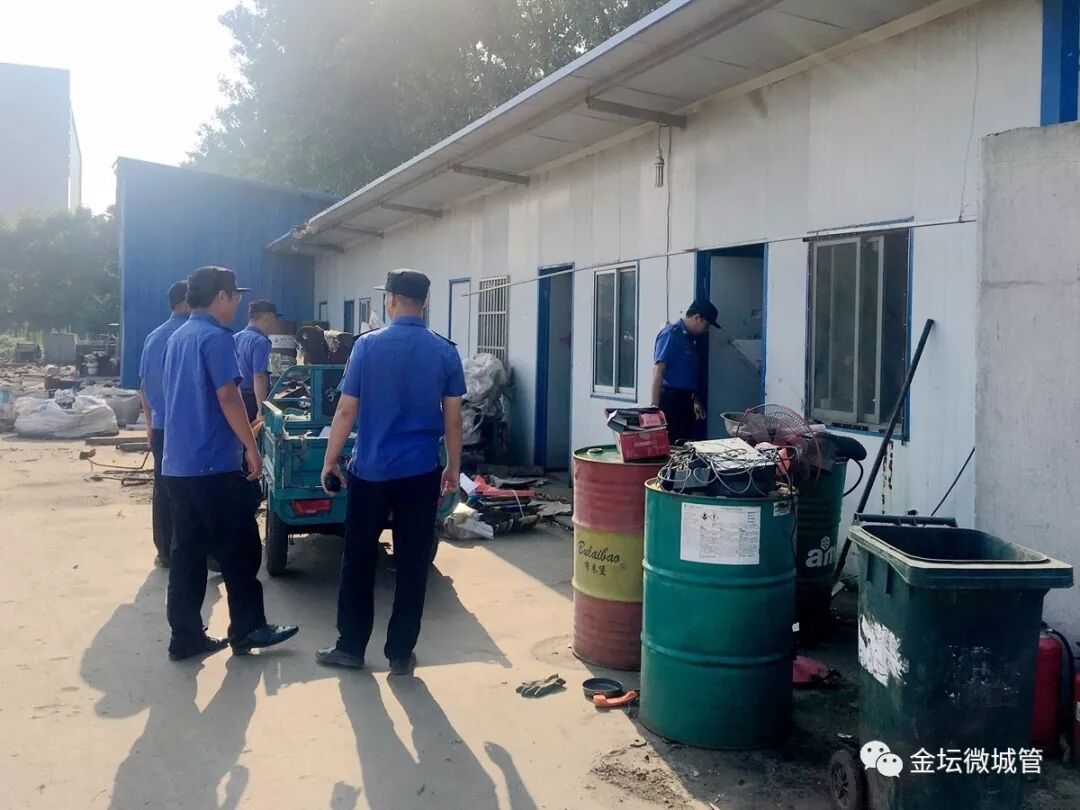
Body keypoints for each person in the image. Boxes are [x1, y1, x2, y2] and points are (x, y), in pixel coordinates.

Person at [316, 268, 465, 675]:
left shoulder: (367, 347)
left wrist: (330, 460)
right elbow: (453, 419)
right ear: (426, 302)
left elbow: (346, 410)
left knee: (359, 557)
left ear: (391, 299)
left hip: (371, 472)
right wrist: (453, 467)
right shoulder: (444, 351)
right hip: (420, 472)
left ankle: (350, 647)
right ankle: (400, 654)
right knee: (413, 562)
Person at [161, 265, 298, 661]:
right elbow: (227, 396)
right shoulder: (216, 338)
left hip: (179, 465)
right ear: (221, 297)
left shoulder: (177, 337)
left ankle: (185, 636)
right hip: (213, 466)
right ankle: (248, 627)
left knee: (187, 554)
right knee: (240, 549)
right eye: (235, 296)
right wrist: (250, 446)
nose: (237, 303)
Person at [138, 281, 190, 568]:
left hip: (161, 426)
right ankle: (201, 550)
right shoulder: (195, 335)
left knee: (163, 487)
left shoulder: (154, 337)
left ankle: (166, 551)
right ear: (187, 300)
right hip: (192, 428)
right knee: (196, 488)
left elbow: (144, 386)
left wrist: (149, 424)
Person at [650, 299, 721, 444]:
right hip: (670, 401)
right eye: (707, 325)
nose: (707, 330)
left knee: (686, 445)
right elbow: (658, 371)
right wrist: (654, 409)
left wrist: (695, 399)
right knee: (672, 445)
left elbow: (687, 375)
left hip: (686, 401)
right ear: (698, 318)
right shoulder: (671, 335)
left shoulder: (691, 338)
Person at [234, 300, 279, 422]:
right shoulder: (260, 342)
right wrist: (261, 408)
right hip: (252, 398)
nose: (276, 322)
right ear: (267, 317)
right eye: (275, 318)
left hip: (237, 395)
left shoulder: (235, 338)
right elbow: (259, 376)